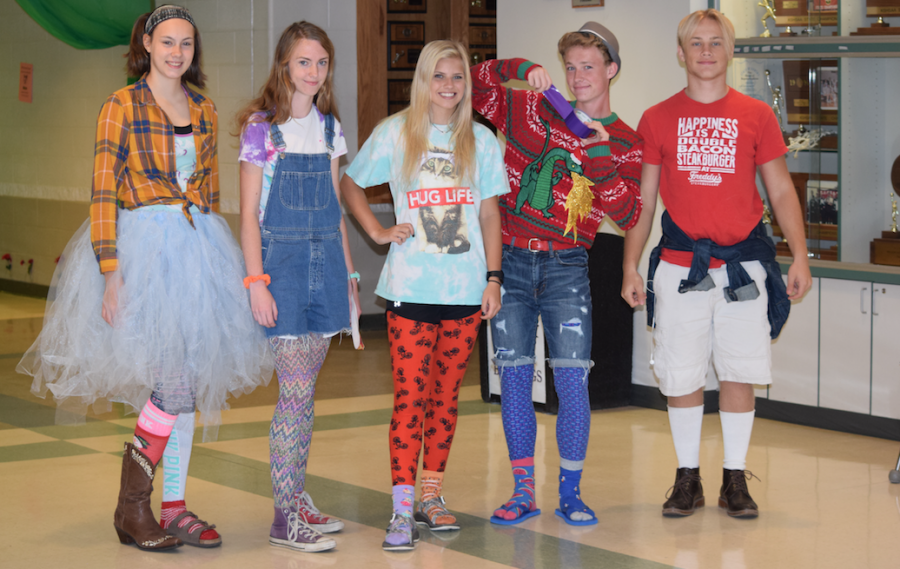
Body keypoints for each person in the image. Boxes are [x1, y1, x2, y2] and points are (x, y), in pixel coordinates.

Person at [17, 5, 273, 551]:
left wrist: (221, 270)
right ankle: (132, 507)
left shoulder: (203, 107)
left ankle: (173, 507)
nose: (177, 52)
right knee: (172, 387)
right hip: (141, 254)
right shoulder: (120, 105)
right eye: (167, 42)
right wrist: (112, 272)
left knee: (185, 388)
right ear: (147, 46)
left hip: (197, 251)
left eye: (186, 43)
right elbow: (103, 190)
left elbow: (205, 191)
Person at [620, 9, 812, 519]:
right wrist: (630, 266)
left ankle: (734, 478)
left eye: (715, 43)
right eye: (696, 43)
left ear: (730, 52)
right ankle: (688, 479)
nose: (706, 51)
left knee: (739, 372)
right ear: (681, 54)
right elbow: (644, 200)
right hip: (681, 270)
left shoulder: (756, 115)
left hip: (743, 270)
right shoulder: (658, 118)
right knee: (681, 377)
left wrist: (800, 256)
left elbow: (779, 190)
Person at [470, 22, 643, 526]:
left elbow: (630, 214)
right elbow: (472, 83)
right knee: (515, 379)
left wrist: (600, 154)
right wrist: (521, 70)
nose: (578, 77)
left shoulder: (625, 140)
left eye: (589, 66)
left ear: (611, 70)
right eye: (571, 67)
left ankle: (571, 493)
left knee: (572, 383)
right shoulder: (529, 107)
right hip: (511, 262)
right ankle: (523, 491)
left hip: (569, 264)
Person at [341, 40, 507, 550]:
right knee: (411, 398)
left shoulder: (482, 141)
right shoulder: (395, 133)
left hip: (464, 292)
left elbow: (489, 215)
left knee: (446, 399)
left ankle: (432, 496)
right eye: (440, 76)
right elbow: (350, 183)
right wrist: (376, 231)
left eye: (457, 77)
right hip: (411, 291)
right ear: (423, 80)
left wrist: (494, 279)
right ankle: (401, 507)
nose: (449, 86)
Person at [235, 21, 358, 553]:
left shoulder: (331, 130)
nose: (313, 72)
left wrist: (351, 281)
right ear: (284, 64)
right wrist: (256, 282)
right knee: (294, 393)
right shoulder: (261, 129)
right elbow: (247, 218)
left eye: (321, 63)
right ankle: (285, 516)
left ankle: (297, 494)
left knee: (306, 396)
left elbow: (335, 215)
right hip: (279, 268)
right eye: (303, 61)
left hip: (326, 265)